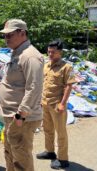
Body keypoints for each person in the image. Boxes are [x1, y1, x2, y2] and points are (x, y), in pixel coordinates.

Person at [0, 19, 44, 171]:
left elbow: (34, 87)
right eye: (5, 36)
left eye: (10, 35)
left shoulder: (30, 56)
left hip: (21, 117)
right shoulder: (18, 53)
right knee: (10, 153)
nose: (6, 39)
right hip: (13, 115)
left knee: (21, 158)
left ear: (22, 33)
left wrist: (21, 114)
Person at [36, 40, 75, 169]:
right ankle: (50, 152)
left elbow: (68, 87)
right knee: (47, 129)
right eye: (49, 51)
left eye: (53, 52)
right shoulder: (46, 66)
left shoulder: (66, 67)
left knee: (61, 133)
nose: (50, 54)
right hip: (45, 103)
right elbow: (43, 83)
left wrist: (63, 104)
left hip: (57, 105)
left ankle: (63, 159)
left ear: (60, 52)